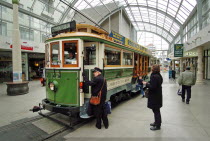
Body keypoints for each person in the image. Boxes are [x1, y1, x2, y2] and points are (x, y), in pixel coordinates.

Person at [143, 65, 163, 131]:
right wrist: (150, 83)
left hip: (155, 96)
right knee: (156, 110)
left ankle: (158, 125)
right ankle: (156, 122)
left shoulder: (154, 76)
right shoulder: (158, 75)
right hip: (157, 95)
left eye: (152, 67)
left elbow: (152, 87)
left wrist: (146, 83)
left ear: (154, 69)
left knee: (156, 111)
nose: (151, 68)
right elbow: (157, 84)